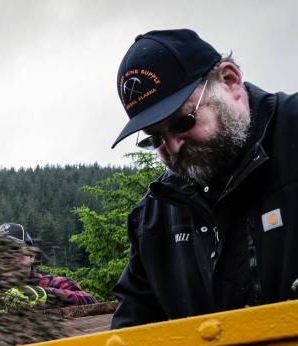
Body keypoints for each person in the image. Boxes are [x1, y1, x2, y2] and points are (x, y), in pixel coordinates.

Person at [109, 28, 298, 328]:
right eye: (155, 138)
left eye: (183, 121)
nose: (172, 147)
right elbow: (133, 332)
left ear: (230, 81)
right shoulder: (153, 218)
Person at [0, 224, 97, 317]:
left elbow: (91, 301)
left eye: (12, 249)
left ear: (31, 256)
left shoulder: (52, 283)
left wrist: (46, 295)